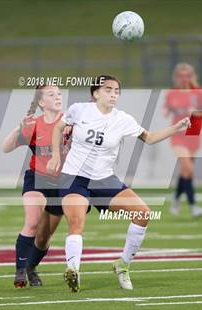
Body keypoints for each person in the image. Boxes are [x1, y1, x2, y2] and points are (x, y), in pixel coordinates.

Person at [46, 75, 191, 292]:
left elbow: (149, 138)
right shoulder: (79, 110)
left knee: (143, 214)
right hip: (74, 178)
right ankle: (73, 270)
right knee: (76, 224)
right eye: (108, 89)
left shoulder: (123, 119)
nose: (113, 94)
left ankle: (122, 265)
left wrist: (176, 128)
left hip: (104, 180)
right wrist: (56, 155)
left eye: (116, 91)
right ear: (95, 93)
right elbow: (58, 128)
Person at [2, 84, 70, 288]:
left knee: (44, 236)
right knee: (32, 222)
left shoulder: (71, 122)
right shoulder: (33, 124)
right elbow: (5, 148)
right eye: (51, 94)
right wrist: (18, 127)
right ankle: (20, 271)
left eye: (59, 93)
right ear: (41, 102)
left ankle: (31, 267)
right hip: (37, 179)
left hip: (62, 183)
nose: (58, 97)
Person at [163, 63, 202, 218]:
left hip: (193, 133)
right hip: (178, 135)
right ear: (176, 77)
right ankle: (193, 205)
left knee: (185, 172)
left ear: (192, 76)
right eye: (181, 76)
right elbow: (165, 110)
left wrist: (195, 113)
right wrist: (167, 110)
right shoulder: (172, 93)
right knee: (188, 169)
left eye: (187, 76)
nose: (184, 79)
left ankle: (175, 198)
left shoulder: (199, 93)